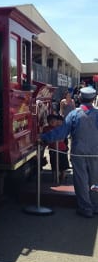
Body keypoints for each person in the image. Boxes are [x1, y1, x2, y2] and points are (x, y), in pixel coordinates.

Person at [41, 86, 98, 218]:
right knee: (95, 180)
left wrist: (44, 137)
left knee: (81, 180)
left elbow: (61, 133)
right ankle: (95, 206)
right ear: (93, 99)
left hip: (78, 152)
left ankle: (86, 208)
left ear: (79, 98)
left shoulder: (74, 114)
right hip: (96, 153)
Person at [42, 114, 69, 183]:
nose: (53, 122)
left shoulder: (59, 128)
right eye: (51, 121)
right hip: (53, 149)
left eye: (54, 121)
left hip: (62, 149)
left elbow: (64, 138)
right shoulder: (46, 129)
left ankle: (63, 176)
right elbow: (45, 138)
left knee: (63, 164)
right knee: (54, 163)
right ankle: (55, 177)